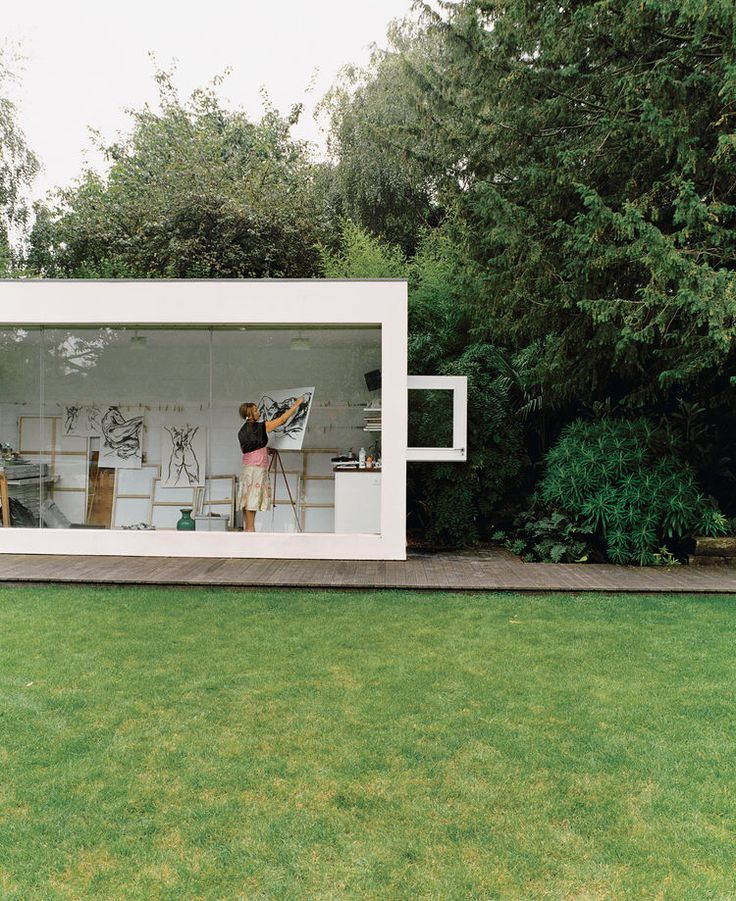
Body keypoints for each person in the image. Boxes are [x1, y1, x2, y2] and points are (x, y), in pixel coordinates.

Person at [236, 397, 304, 532]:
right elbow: (281, 420)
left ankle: (248, 529)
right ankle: (250, 531)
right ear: (250, 415)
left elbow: (251, 446)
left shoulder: (242, 431)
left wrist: (265, 450)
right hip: (257, 468)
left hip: (248, 468)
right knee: (252, 500)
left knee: (248, 499)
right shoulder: (261, 426)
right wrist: (296, 405)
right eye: (256, 411)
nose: (259, 412)